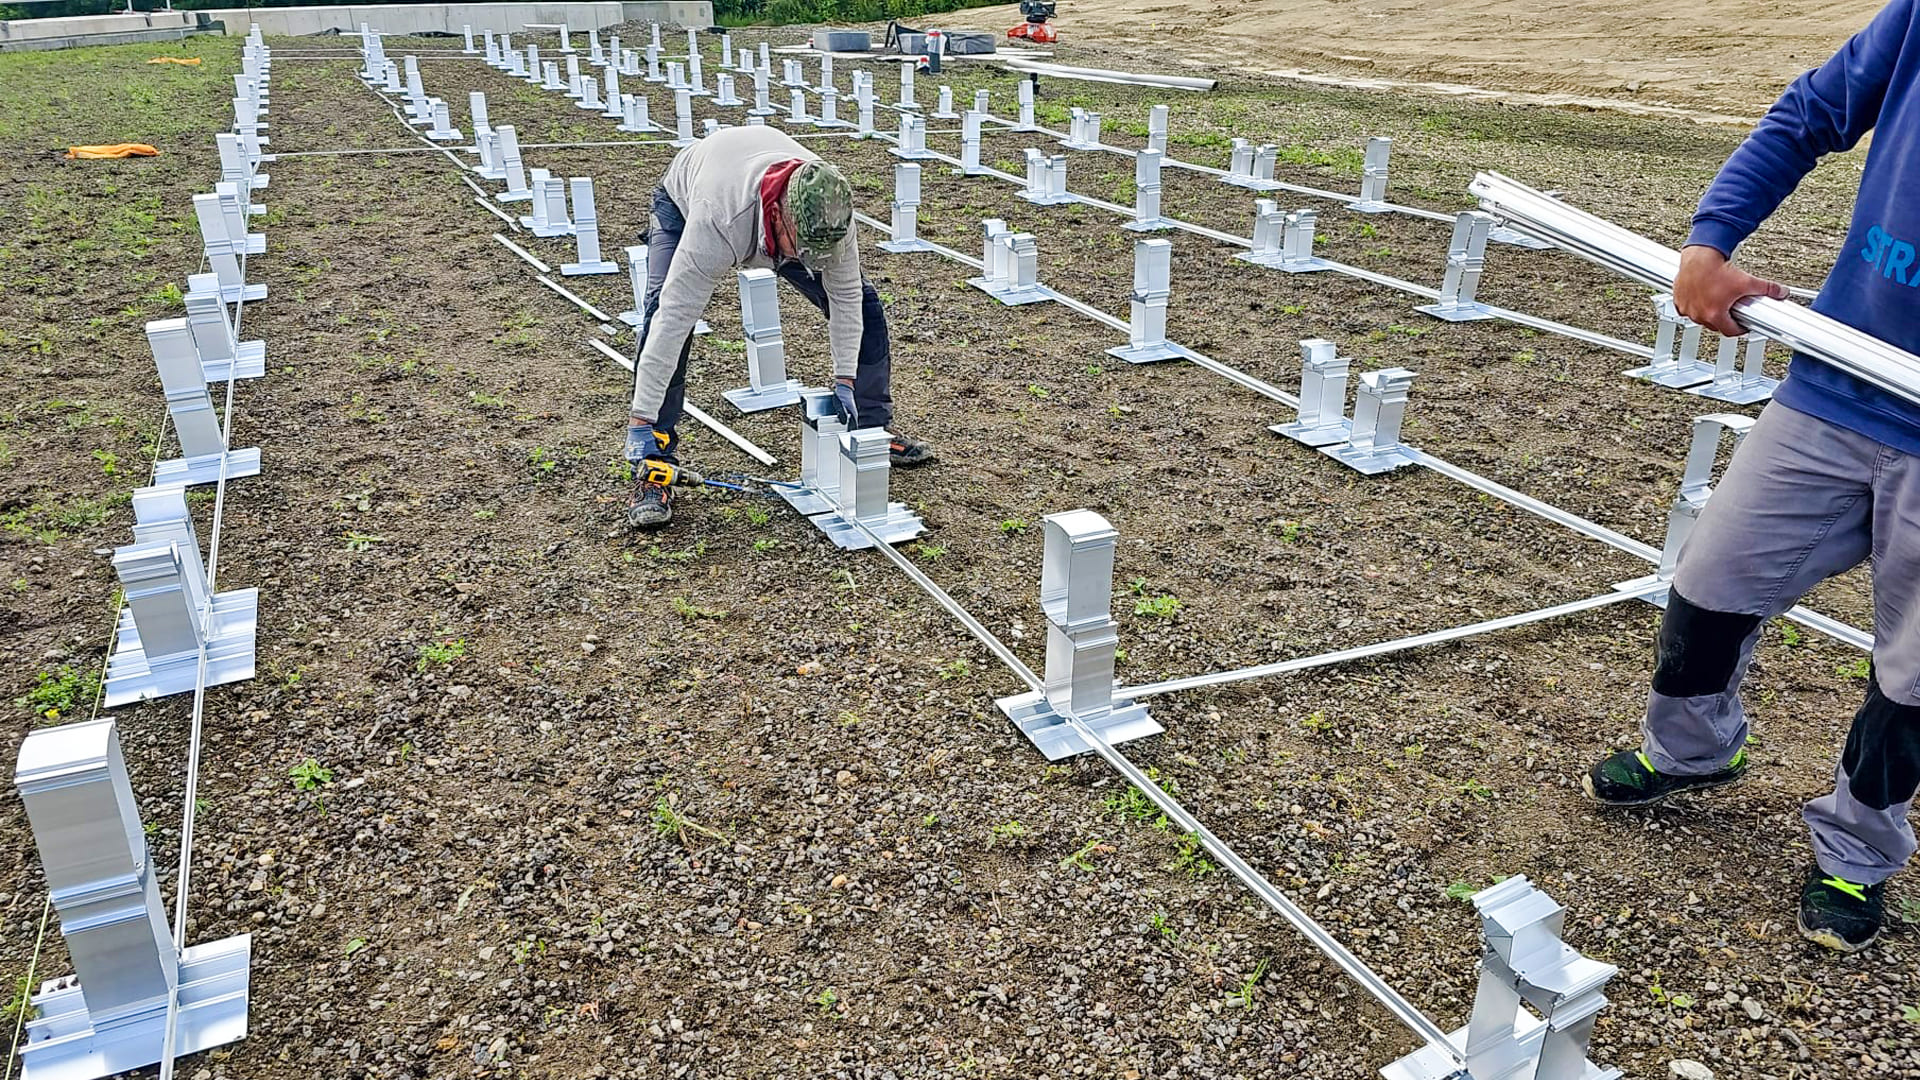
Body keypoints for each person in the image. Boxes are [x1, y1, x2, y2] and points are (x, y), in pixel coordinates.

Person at [1582, 0, 1920, 954]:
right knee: (1712, 583)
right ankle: (1693, 753)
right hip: (1841, 384)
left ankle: (1858, 852)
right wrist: (1710, 241)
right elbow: (1806, 113)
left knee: (1912, 679)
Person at [624, 126, 934, 529]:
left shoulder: (832, 217)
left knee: (866, 305)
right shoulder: (719, 219)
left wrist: (844, 378)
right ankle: (654, 461)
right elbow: (673, 320)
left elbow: (846, 301)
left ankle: (871, 429)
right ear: (780, 217)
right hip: (686, 201)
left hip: (766, 202)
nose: (814, 261)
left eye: (822, 253)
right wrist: (640, 419)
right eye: (805, 252)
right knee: (662, 317)